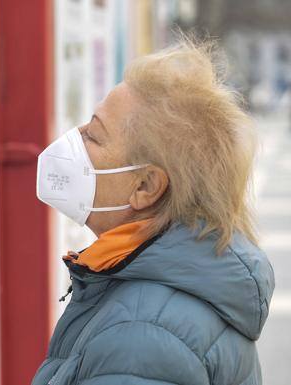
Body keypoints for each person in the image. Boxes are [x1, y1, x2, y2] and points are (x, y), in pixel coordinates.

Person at [33, 37, 275, 385]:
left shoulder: (139, 338)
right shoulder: (158, 291)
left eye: (94, 135)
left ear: (146, 187)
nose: (74, 138)